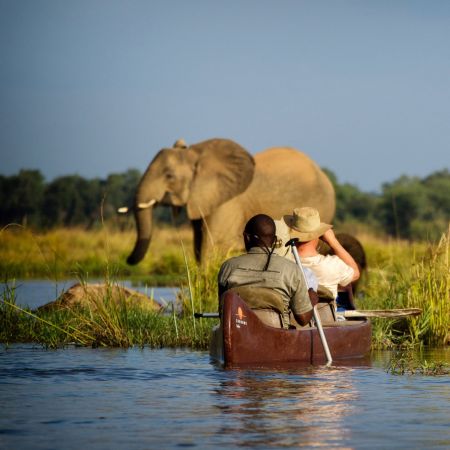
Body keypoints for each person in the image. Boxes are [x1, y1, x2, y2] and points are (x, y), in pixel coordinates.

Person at [218, 214, 315, 327]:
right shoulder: (291, 269)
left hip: (238, 336)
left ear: (247, 237)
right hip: (278, 338)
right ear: (274, 240)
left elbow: (222, 312)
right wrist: (311, 300)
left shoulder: (227, 267)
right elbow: (303, 319)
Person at [280, 207, 360, 303]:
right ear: (319, 235)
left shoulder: (282, 263)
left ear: (291, 232)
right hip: (325, 316)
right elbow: (355, 273)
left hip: (292, 317)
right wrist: (333, 242)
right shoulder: (333, 265)